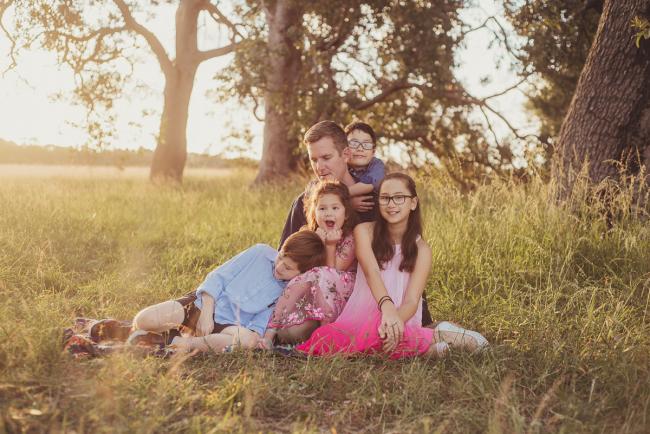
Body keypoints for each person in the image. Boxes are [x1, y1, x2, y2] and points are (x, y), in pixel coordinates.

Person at [296, 173, 489, 359]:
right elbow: (372, 273)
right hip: (361, 316)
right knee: (325, 340)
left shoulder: (422, 249)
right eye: (385, 198)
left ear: (413, 203)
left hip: (400, 317)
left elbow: (412, 301)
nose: (391, 204)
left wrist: (394, 322)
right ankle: (426, 346)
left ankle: (441, 336)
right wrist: (387, 308)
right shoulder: (364, 231)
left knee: (382, 339)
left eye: (399, 198)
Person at [279, 120, 435, 327]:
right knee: (258, 254)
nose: (320, 167)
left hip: (371, 299)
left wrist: (416, 316)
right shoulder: (305, 202)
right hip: (316, 297)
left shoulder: (378, 201)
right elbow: (286, 257)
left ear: (346, 154)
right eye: (313, 160)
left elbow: (405, 253)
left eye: (326, 158)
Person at [128, 230, 326, 353]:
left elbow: (263, 319)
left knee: (248, 341)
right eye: (281, 256)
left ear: (301, 273)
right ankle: (189, 335)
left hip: (230, 324)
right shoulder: (259, 252)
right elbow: (218, 277)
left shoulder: (288, 290)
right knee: (143, 320)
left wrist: (260, 337)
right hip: (202, 305)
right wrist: (206, 313)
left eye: (289, 268)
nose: (280, 266)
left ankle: (176, 342)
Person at [264, 181, 358, 346]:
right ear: (314, 213)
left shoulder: (350, 238)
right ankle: (271, 331)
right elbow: (298, 268)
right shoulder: (309, 234)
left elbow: (333, 273)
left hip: (341, 292)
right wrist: (317, 242)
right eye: (322, 208)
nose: (328, 213)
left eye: (335, 208)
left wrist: (329, 245)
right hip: (311, 294)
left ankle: (326, 334)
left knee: (320, 274)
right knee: (300, 280)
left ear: (346, 213)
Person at [344, 121, 386, 201]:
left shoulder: (377, 165)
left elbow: (368, 185)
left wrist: (338, 195)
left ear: (373, 151)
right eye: (354, 143)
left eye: (366, 145)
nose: (360, 149)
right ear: (344, 148)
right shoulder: (340, 165)